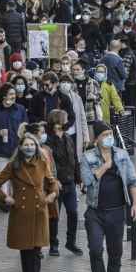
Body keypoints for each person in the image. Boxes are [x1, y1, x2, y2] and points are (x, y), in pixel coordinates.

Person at [0, 133, 58, 272]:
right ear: (20, 147)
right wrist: (6, 198)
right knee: (25, 251)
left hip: (39, 212)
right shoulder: (12, 165)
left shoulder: (42, 164)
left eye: (32, 145)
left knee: (36, 251)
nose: (29, 147)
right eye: (26, 145)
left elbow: (53, 184)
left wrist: (52, 194)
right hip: (21, 213)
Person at [80, 121, 136, 272]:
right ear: (97, 139)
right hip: (95, 212)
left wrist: (135, 204)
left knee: (115, 254)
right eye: (104, 135)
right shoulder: (87, 156)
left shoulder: (122, 154)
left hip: (117, 211)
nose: (108, 137)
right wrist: (105, 166)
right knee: (96, 250)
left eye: (110, 134)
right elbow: (86, 181)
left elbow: (132, 181)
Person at [44, 109, 83, 257]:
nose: (67, 123)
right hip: (56, 184)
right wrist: (53, 182)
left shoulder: (67, 137)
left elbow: (75, 159)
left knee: (73, 213)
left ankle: (71, 242)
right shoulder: (48, 140)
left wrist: (78, 178)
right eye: (65, 121)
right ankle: (53, 244)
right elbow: (47, 164)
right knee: (54, 216)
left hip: (70, 183)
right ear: (57, 123)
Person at [0, 83, 29, 211]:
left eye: (14, 94)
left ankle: (15, 199)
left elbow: (26, 127)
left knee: (17, 176)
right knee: (3, 176)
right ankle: (4, 201)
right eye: (11, 94)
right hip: (1, 150)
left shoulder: (20, 109)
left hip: (17, 150)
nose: (13, 96)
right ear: (4, 96)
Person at [58, 75, 90, 158]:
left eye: (68, 82)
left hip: (74, 133)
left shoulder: (77, 98)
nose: (66, 84)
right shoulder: (55, 97)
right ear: (59, 83)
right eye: (63, 82)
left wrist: (86, 137)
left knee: (75, 159)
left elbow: (82, 118)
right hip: (59, 133)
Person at [72, 60, 103, 143]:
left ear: (83, 70)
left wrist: (93, 97)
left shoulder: (93, 82)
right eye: (74, 70)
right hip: (76, 117)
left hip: (90, 116)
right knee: (78, 142)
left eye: (77, 70)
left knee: (90, 142)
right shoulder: (72, 83)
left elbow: (101, 99)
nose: (75, 72)